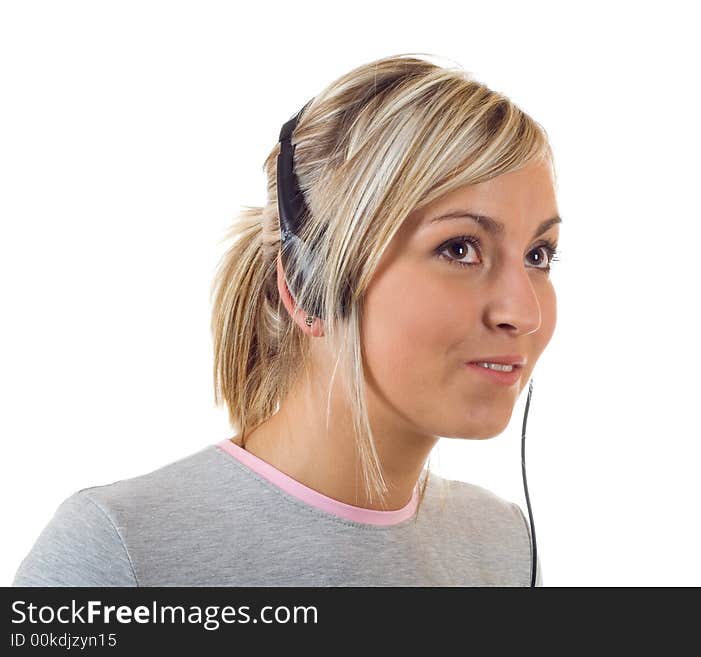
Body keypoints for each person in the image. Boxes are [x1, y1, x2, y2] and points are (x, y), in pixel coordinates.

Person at [13, 53, 560, 586]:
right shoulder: (117, 555)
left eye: (539, 255)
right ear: (307, 286)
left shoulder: (503, 545)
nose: (525, 312)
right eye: (460, 248)